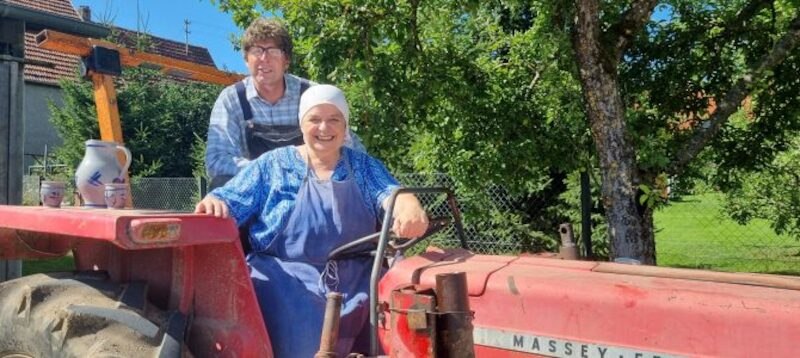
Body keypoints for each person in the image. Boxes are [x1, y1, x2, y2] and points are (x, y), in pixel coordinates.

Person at [195, 84, 429, 357]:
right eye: (314, 119)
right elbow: (230, 199)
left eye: (334, 119)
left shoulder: (363, 166)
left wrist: (408, 204)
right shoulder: (273, 165)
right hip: (286, 279)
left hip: (358, 279)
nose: (324, 128)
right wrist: (216, 202)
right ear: (301, 124)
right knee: (306, 342)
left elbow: (391, 194)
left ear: (345, 126)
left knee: (403, 328)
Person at [205, 18, 364, 190]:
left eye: (273, 51)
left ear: (286, 60)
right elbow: (217, 159)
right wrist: (270, 172)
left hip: (311, 185)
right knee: (220, 184)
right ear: (246, 59)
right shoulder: (232, 98)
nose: (264, 59)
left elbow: (352, 148)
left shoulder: (312, 95)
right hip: (256, 187)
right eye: (257, 51)